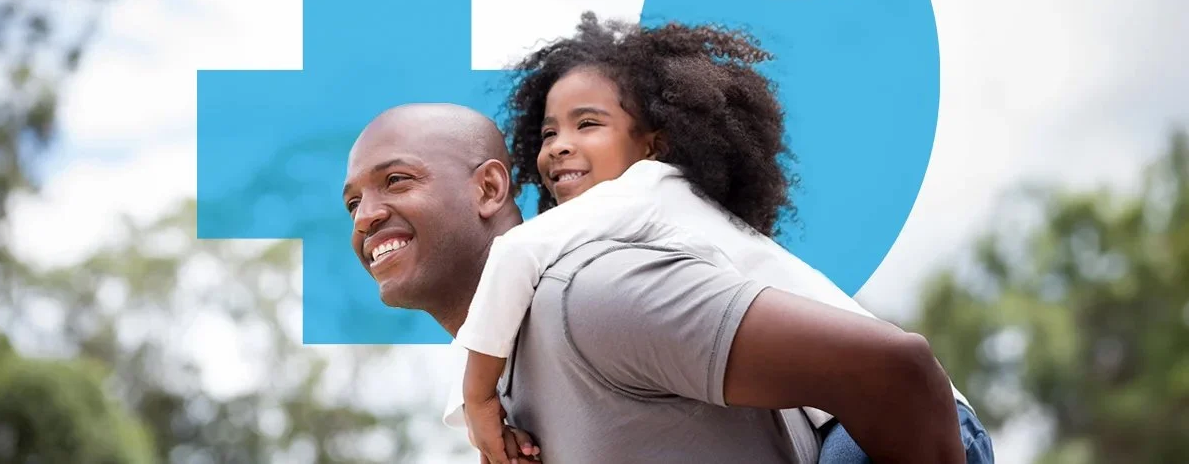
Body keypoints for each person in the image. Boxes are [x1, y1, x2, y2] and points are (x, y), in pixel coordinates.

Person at [448, 13, 994, 464]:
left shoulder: (649, 187)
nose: (559, 147)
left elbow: (515, 251)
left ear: (653, 146)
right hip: (855, 421)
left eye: (587, 124)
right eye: (549, 132)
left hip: (898, 423)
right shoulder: (629, 230)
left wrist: (477, 400)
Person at [343, 102, 971, 463]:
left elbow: (897, 370)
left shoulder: (587, 295)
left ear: (488, 188)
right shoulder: (503, 392)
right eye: (352, 203)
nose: (366, 215)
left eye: (396, 181)